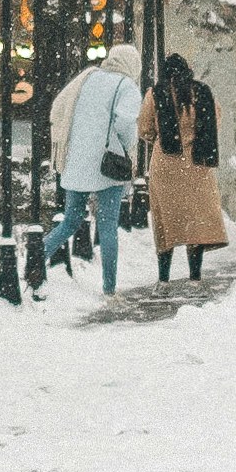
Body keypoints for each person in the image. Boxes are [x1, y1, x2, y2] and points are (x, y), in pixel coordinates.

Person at [43, 40, 143, 293]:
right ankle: (109, 287)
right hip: (107, 165)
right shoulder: (127, 86)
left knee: (70, 221)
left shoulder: (88, 78)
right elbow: (126, 124)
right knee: (108, 225)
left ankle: (36, 259)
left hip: (77, 161)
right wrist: (127, 146)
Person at [142, 51, 228, 279]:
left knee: (165, 223)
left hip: (166, 165)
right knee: (196, 222)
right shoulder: (203, 93)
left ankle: (164, 277)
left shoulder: (155, 94)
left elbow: (144, 129)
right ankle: (195, 275)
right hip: (197, 165)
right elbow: (216, 121)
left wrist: (160, 138)